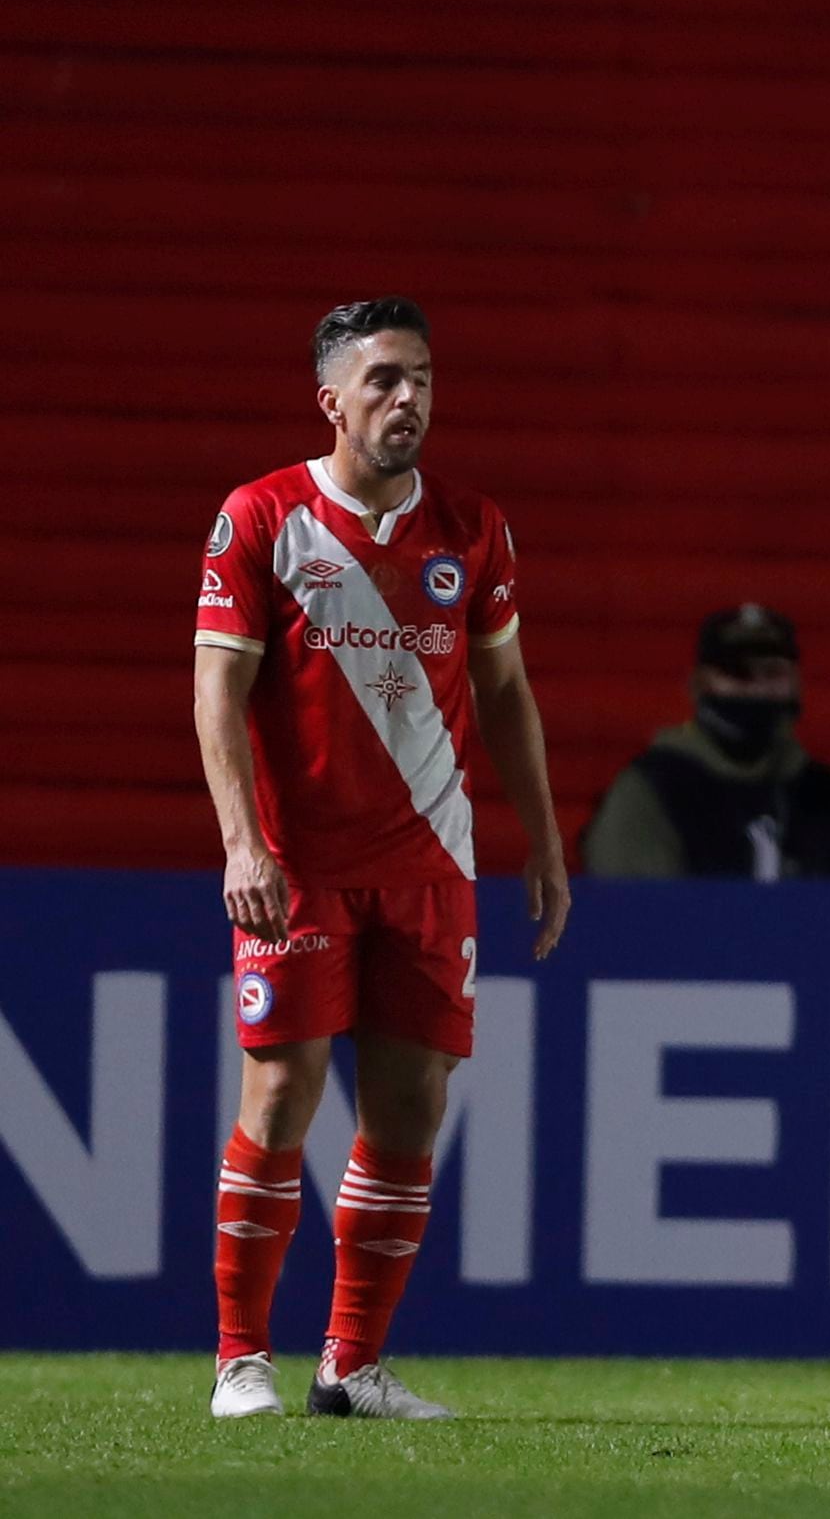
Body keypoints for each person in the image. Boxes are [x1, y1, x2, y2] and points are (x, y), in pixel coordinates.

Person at [194, 297, 571, 1421]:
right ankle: (239, 1359)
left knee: (411, 1106)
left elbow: (505, 691)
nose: (409, 400)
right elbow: (217, 688)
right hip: (299, 861)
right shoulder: (263, 518)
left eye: (422, 381)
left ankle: (349, 1365)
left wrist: (544, 839)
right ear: (332, 400)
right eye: (385, 381)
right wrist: (241, 843)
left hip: (430, 864)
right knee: (281, 1089)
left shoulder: (473, 529)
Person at [581, 603, 830, 880]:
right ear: (699, 683)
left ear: (795, 684)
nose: (756, 689)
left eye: (772, 672)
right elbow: (637, 920)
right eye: (737, 673)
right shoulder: (651, 789)